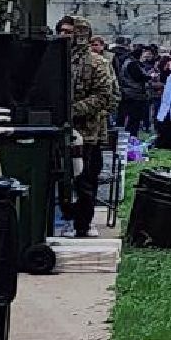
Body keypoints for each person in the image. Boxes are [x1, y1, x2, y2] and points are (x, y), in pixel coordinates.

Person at [61, 19, 117, 239]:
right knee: (63, 180)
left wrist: (72, 110)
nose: (63, 35)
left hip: (87, 133)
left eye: (68, 32)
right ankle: (68, 219)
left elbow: (105, 96)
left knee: (84, 180)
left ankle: (82, 224)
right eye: (61, 31)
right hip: (61, 130)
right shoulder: (56, 59)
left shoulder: (97, 63)